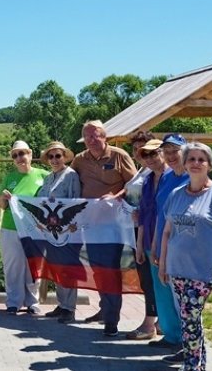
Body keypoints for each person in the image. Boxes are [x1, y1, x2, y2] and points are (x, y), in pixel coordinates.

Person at [158, 142, 212, 369]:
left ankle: (192, 366)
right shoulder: (176, 195)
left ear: (209, 165)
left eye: (201, 159)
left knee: (190, 319)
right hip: (177, 268)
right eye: (191, 159)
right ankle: (198, 364)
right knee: (191, 319)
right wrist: (162, 264)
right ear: (184, 164)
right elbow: (167, 232)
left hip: (204, 271)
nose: (196, 163)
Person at [70, 120, 137, 336]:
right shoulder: (80, 160)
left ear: (104, 136)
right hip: (90, 224)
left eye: (95, 135)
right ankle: (104, 309)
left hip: (114, 225)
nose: (91, 140)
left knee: (109, 270)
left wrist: (115, 196)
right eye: (87, 136)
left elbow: (134, 185)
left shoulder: (119, 156)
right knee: (98, 270)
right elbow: (67, 180)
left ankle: (111, 319)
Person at [148, 134, 190, 354]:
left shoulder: (192, 179)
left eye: (176, 151)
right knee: (171, 295)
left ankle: (189, 347)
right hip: (165, 244)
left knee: (186, 301)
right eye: (167, 152)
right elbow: (160, 215)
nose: (172, 156)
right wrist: (155, 246)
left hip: (184, 248)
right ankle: (175, 338)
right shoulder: (166, 177)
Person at [0, 140, 48, 315]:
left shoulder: (44, 176)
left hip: (35, 230)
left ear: (30, 154)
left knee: (33, 266)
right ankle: (13, 302)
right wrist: (3, 198)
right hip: (11, 228)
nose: (19, 158)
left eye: (22, 153)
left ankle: (32, 302)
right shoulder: (9, 178)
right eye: (15, 155)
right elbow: (1, 205)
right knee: (13, 266)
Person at [37, 141, 81, 323]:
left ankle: (69, 309)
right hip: (51, 231)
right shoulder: (48, 178)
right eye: (51, 156)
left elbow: (76, 201)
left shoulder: (71, 175)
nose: (54, 159)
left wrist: (71, 227)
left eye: (58, 156)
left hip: (67, 231)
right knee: (57, 268)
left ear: (64, 157)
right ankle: (62, 304)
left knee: (67, 268)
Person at [130, 138, 166, 341]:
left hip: (165, 241)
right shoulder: (146, 180)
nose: (150, 158)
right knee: (149, 282)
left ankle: (162, 327)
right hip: (147, 239)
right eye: (145, 154)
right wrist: (140, 245)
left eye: (154, 153)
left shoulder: (173, 178)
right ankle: (156, 324)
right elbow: (143, 214)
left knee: (164, 286)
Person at [125, 131, 158, 341]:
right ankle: (160, 321)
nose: (140, 153)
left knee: (149, 278)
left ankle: (149, 324)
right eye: (136, 149)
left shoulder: (154, 173)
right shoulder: (141, 171)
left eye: (145, 150)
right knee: (148, 277)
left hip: (148, 230)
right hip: (138, 228)